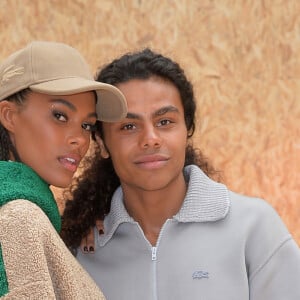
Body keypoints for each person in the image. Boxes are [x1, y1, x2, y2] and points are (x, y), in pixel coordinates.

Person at [61, 48, 300, 300]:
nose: (150, 139)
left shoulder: (253, 227)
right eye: (129, 126)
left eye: (164, 122)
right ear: (101, 142)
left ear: (187, 129)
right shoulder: (82, 247)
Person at [0, 41, 127, 299]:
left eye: (87, 125)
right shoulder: (20, 218)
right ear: (9, 116)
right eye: (60, 116)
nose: (80, 140)